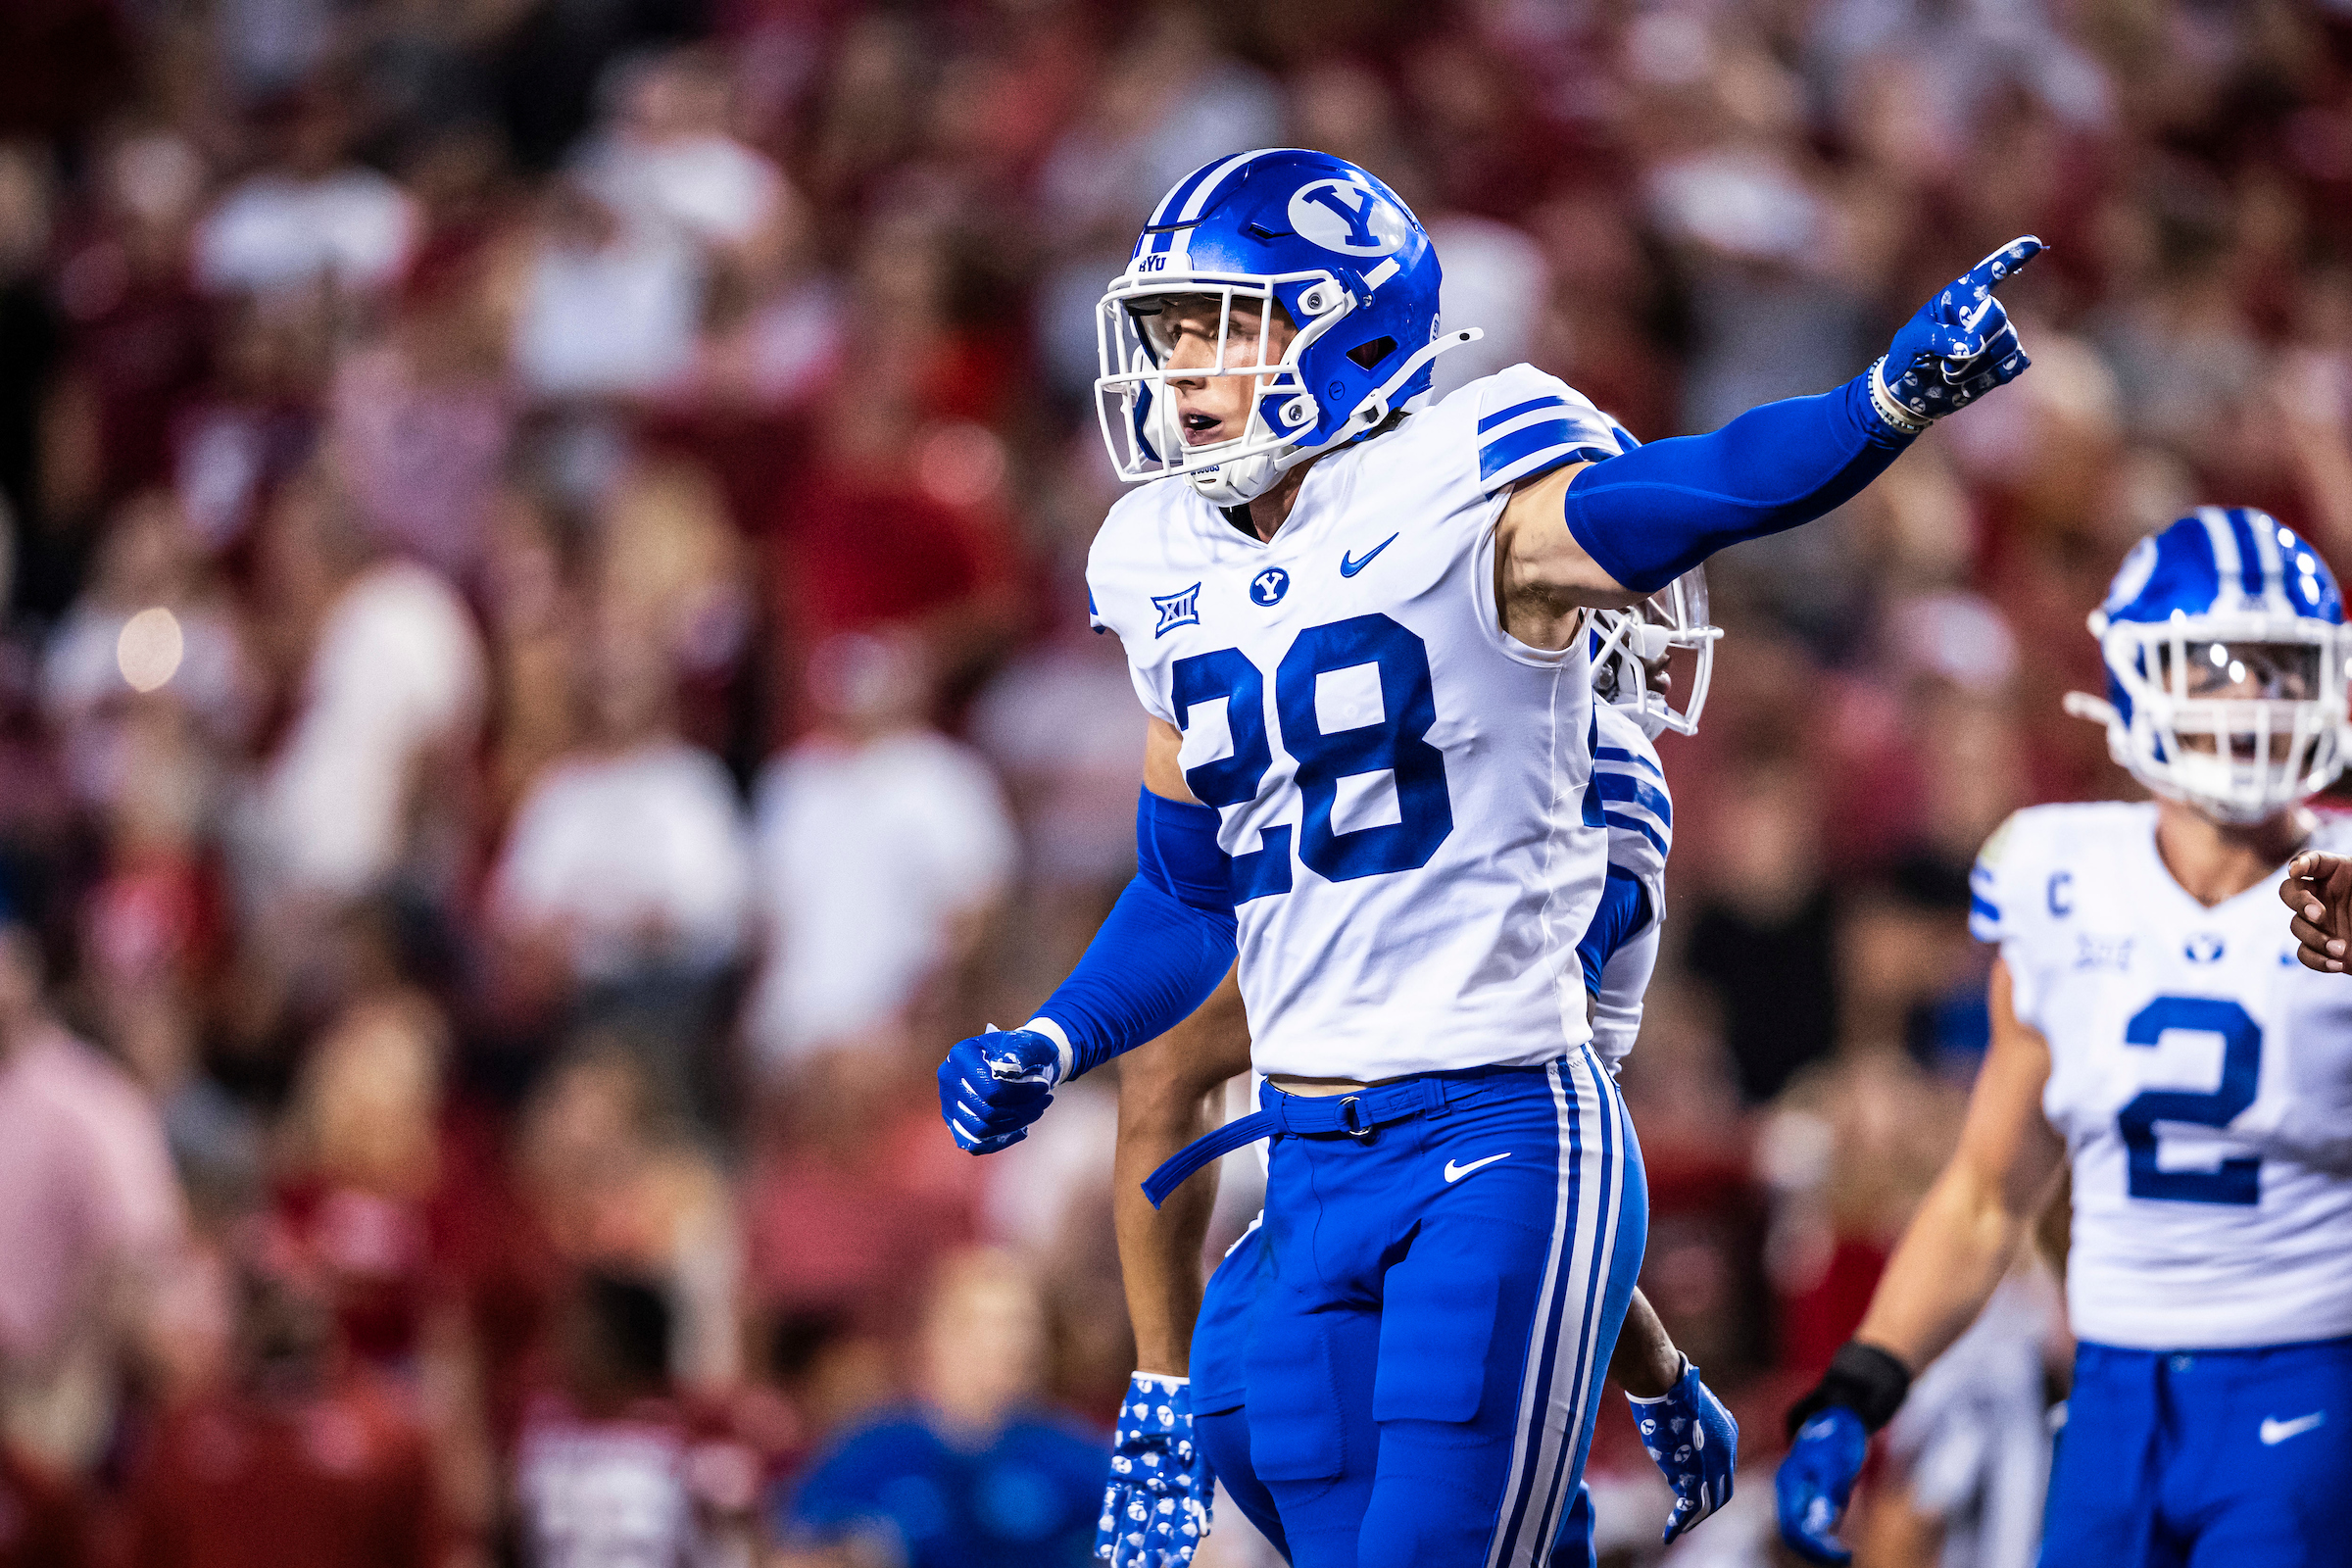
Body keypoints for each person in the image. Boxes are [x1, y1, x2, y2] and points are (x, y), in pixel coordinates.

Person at [940, 147, 2038, 1568]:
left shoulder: (1467, 485)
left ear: (1347, 325)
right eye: (1169, 329)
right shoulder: (1159, 556)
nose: (1182, 364)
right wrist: (1050, 1035)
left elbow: (1691, 493)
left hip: (1496, 1138)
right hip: (1306, 1166)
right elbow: (1181, 888)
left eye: (1223, 322)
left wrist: (1877, 403)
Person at [1096, 583, 1733, 1568]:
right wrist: (1661, 1374)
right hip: (1399, 1322)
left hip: (1264, 1325)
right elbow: (1528, 1181)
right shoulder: (1595, 771)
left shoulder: (1360, 747)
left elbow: (1166, 1073)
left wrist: (1162, 1390)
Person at [1776, 508, 2352, 1567]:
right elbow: (1992, 1190)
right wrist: (1863, 1383)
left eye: (2281, 666)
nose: (2254, 697)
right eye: (2219, 664)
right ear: (2138, 677)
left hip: (2310, 1381)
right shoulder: (2061, 875)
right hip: (2112, 1393)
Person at [773, 1248, 1103, 1568]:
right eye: (986, 1324)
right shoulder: (870, 1453)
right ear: (932, 1335)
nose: (1010, 1341)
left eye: (1023, 1324)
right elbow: (794, 1550)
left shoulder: (1070, 1453)